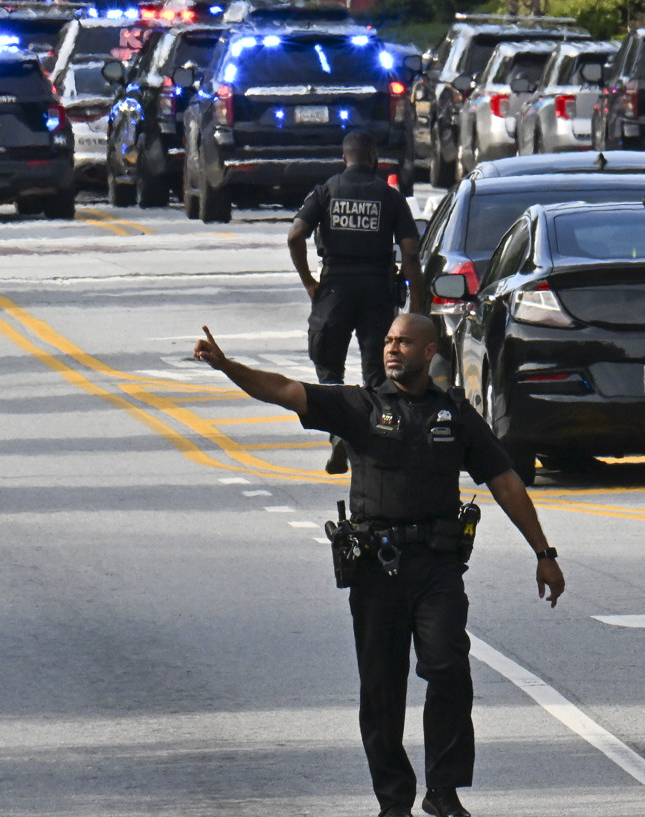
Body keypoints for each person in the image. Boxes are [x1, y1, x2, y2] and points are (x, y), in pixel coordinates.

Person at [194, 314, 565, 817]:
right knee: (381, 689)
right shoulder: (359, 406)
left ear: (429, 350)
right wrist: (226, 365)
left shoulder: (453, 414)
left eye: (404, 342)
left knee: (449, 667)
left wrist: (543, 554)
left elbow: (505, 481)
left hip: (437, 567)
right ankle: (394, 801)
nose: (392, 349)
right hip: (377, 569)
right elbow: (282, 389)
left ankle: (444, 791)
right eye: (388, 340)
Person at [289, 130, 425, 474]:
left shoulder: (327, 191)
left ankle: (338, 433)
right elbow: (410, 252)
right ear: (374, 156)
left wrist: (309, 281)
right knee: (378, 372)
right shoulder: (389, 197)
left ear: (344, 157)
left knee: (328, 366)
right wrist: (418, 312)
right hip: (377, 290)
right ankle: (382, 439)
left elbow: (295, 235)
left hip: (334, 289)